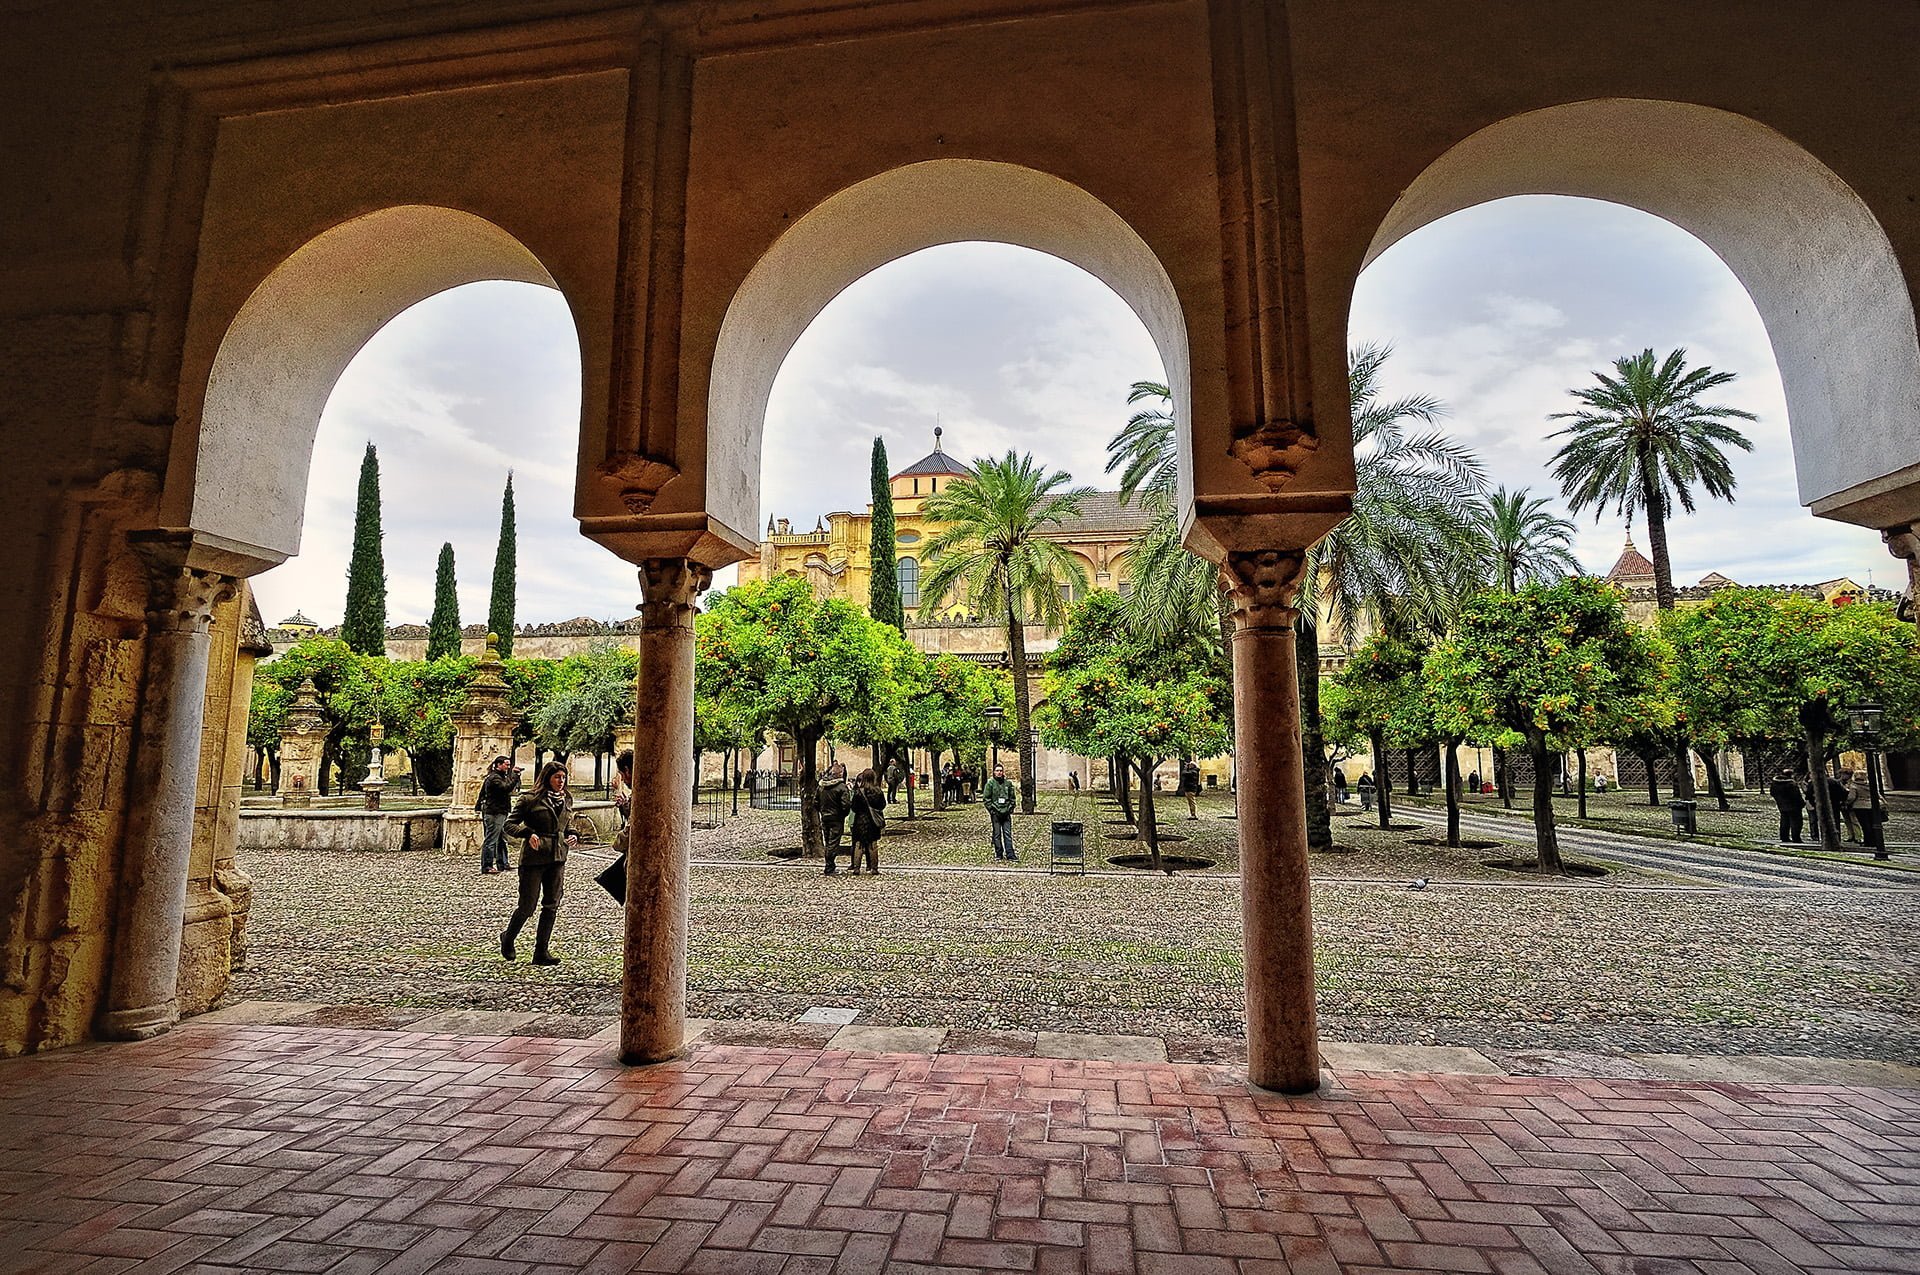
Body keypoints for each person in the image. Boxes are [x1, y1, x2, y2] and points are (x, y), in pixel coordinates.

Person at [501, 761, 576, 965]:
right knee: (527, 906)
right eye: (557, 777)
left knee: (551, 905)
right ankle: (508, 938)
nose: (561, 781)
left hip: (558, 858)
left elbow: (567, 823)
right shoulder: (530, 799)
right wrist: (528, 833)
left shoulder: (567, 799)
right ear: (547, 778)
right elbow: (509, 825)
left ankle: (541, 951)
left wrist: (572, 834)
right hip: (534, 859)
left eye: (563, 777)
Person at [476, 756, 520, 875]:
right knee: (491, 839)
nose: (508, 766)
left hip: (499, 811)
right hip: (494, 812)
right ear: (498, 765)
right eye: (506, 764)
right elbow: (506, 788)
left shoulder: (499, 777)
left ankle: (503, 863)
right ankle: (487, 866)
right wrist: (515, 776)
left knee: (501, 839)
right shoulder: (494, 778)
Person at [847, 768, 887, 875]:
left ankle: (856, 868)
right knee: (872, 844)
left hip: (860, 820)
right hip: (873, 821)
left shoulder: (858, 792)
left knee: (858, 844)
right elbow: (882, 805)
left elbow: (854, 807)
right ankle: (874, 868)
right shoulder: (878, 791)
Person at [819, 760, 852, 875]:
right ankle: (829, 866)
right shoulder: (842, 787)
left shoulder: (822, 786)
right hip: (836, 818)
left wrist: (822, 811)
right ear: (841, 774)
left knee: (828, 840)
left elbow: (815, 802)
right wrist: (843, 814)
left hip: (825, 817)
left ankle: (830, 865)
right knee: (833, 842)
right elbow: (846, 804)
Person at [983, 762, 1017, 861]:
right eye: (997, 771)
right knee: (997, 834)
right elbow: (986, 799)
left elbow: (1012, 797)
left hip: (1006, 813)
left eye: (1000, 771)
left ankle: (1010, 854)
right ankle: (999, 853)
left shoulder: (1008, 784)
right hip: (996, 813)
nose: (999, 772)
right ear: (994, 772)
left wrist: (1010, 808)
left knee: (1007, 834)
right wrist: (992, 811)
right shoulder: (990, 784)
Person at [1768, 771, 1805, 844]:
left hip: (1782, 805)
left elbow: (1772, 793)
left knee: (1784, 821)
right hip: (1794, 806)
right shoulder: (1791, 784)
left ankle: (1784, 837)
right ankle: (1796, 838)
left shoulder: (1775, 783)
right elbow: (1796, 796)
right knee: (1796, 822)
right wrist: (1802, 803)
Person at [1829, 772, 1860, 842]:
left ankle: (1858, 836)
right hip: (1843, 804)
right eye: (1842, 774)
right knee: (1847, 821)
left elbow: (1851, 796)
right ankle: (1851, 835)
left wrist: (1846, 802)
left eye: (1845, 774)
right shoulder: (1838, 782)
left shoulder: (1852, 784)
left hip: (1850, 804)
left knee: (1854, 821)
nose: (1843, 776)